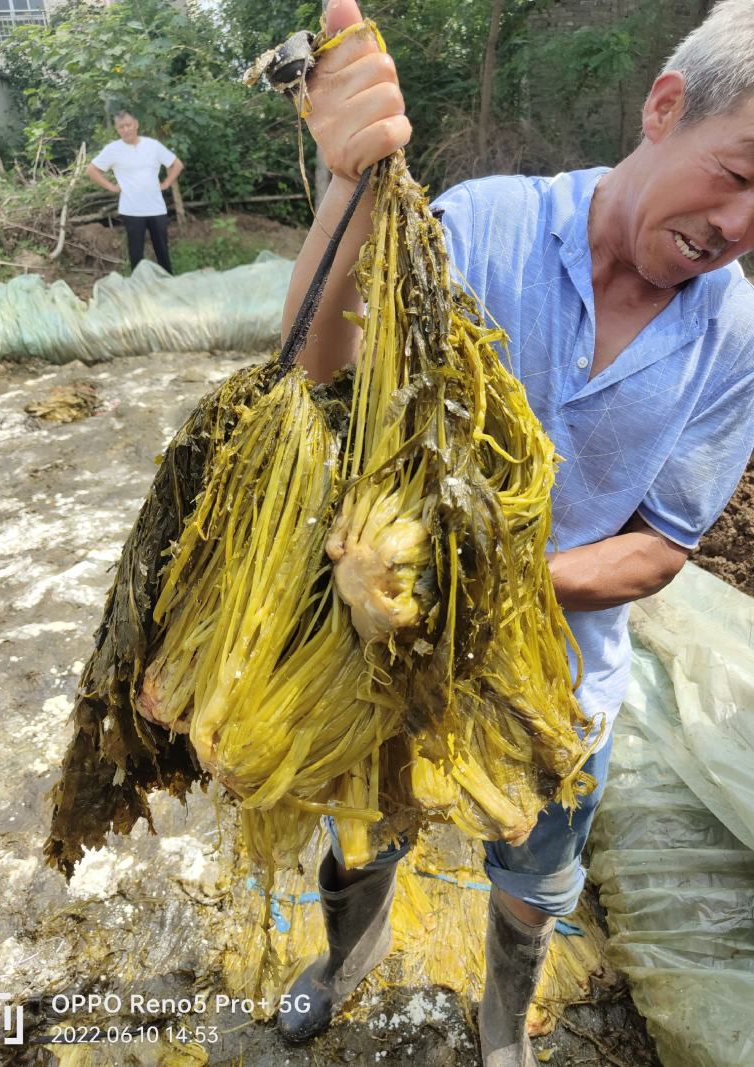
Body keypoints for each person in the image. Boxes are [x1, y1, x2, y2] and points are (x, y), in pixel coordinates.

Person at [275, 0, 754, 1064]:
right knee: (358, 842)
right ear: (664, 107)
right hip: (387, 658)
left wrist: (488, 590)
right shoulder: (485, 225)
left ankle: (501, 1025)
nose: (739, 226)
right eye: (737, 172)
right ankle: (340, 962)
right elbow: (320, 372)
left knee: (535, 885)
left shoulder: (734, 340)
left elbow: (661, 541)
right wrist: (349, 188)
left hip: (558, 679)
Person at [86, 110, 184, 275]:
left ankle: (167, 281)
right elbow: (91, 170)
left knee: (162, 250)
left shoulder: (152, 145)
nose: (126, 129)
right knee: (136, 252)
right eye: (121, 127)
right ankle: (138, 286)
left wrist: (166, 183)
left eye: (128, 125)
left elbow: (177, 164)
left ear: (136, 125)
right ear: (117, 129)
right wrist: (112, 187)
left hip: (156, 208)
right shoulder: (113, 149)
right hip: (131, 210)